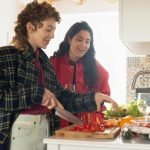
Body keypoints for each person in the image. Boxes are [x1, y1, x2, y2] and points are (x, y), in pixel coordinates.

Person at [0, 1, 118, 150]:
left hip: (47, 130)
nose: (53, 35)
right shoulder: (6, 55)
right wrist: (37, 93)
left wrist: (92, 98)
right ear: (30, 27)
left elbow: (62, 97)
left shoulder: (45, 63)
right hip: (17, 134)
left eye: (54, 30)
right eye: (48, 29)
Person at [50, 21, 112, 127]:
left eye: (87, 41)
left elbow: (103, 96)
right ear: (69, 39)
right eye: (79, 39)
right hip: (57, 126)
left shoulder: (96, 67)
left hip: (85, 127)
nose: (83, 45)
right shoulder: (53, 64)